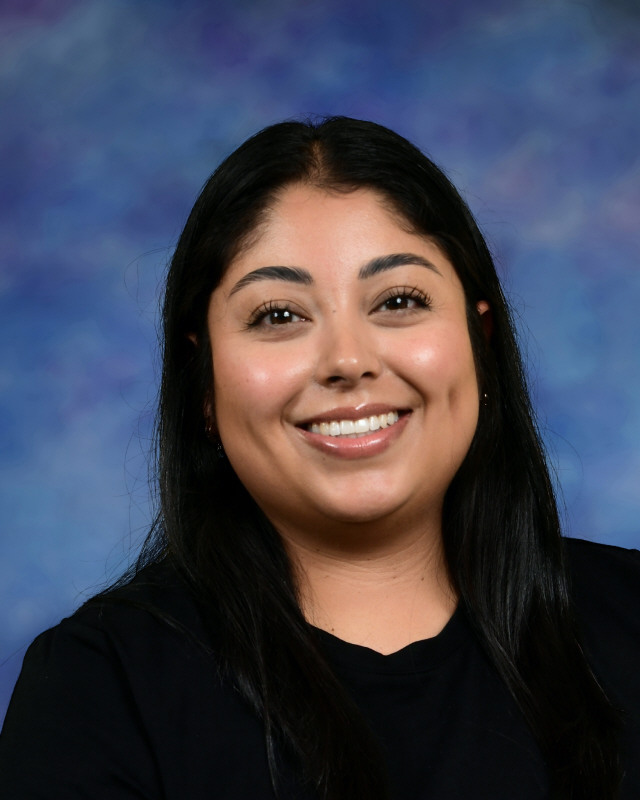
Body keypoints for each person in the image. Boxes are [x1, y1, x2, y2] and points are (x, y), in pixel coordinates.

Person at [0, 117, 638, 800]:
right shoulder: (100, 685)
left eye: (398, 300)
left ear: (479, 339)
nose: (348, 361)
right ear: (204, 383)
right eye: (279, 315)